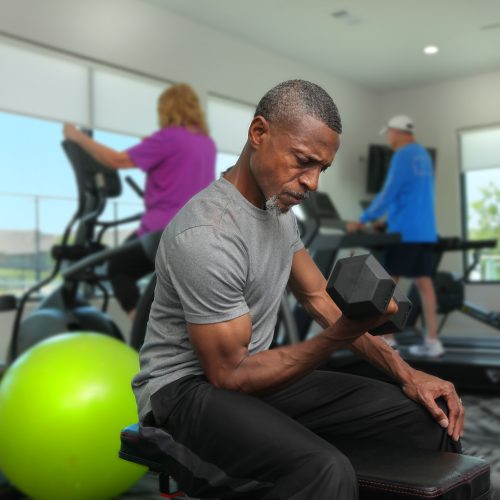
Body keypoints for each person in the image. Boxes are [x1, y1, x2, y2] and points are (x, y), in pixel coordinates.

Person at [133, 81, 463, 500]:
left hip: (251, 377)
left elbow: (319, 298)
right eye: (303, 162)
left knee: (422, 417)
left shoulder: (278, 212)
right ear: (259, 133)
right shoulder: (207, 233)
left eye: (321, 168)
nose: (313, 183)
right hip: (182, 395)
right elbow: (228, 375)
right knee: (323, 471)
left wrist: (409, 374)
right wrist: (344, 332)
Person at [63, 83, 216, 320]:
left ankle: (143, 333)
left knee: (118, 268)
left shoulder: (169, 137)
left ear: (167, 110)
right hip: (199, 235)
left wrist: (77, 137)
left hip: (163, 232)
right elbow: (181, 173)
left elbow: (116, 160)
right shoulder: (207, 144)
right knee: (170, 291)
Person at [347, 115, 442, 358]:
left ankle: (388, 338)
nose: (389, 138)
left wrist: (363, 220)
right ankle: (433, 340)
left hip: (405, 234)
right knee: (425, 284)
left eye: (389, 133)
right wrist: (386, 222)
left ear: (398, 132)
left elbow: (389, 193)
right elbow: (411, 197)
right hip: (425, 231)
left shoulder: (403, 155)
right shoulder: (423, 155)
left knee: (389, 284)